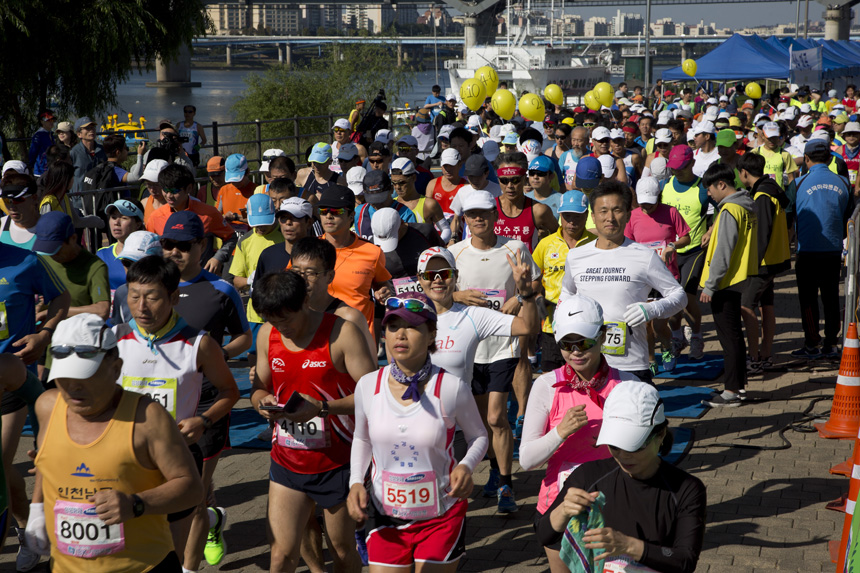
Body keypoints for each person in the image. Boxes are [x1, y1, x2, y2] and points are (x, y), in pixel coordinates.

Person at [27, 313, 205, 571]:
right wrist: (37, 508)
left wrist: (136, 504)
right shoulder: (47, 406)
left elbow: (192, 489)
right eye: (64, 376)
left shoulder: (147, 417)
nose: (73, 387)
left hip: (142, 567)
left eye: (85, 376)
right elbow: (45, 462)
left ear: (116, 368)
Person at [346, 291, 489, 571]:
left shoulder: (451, 387)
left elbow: (479, 437)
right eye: (393, 326)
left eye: (411, 326)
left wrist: (466, 466)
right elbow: (362, 438)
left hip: (441, 515)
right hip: (384, 515)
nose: (400, 335)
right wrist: (355, 483)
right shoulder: (367, 385)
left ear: (432, 334)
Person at [250, 270, 377, 573]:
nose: (281, 328)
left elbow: (375, 395)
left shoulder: (342, 333)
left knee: (342, 551)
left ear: (305, 302)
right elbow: (259, 388)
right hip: (287, 460)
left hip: (339, 462)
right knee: (280, 556)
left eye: (287, 319)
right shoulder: (267, 334)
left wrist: (321, 408)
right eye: (273, 321)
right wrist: (261, 403)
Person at [113, 256, 239, 558]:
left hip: (176, 458)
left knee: (170, 553)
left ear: (173, 297)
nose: (141, 307)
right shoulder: (114, 339)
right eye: (134, 296)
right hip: (123, 456)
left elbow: (230, 391)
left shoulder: (199, 343)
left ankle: (203, 529)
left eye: (152, 297)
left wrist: (204, 421)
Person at [520, 295, 640, 572]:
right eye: (566, 344)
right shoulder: (546, 386)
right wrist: (560, 432)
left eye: (584, 342)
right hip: (559, 507)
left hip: (615, 505)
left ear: (602, 336)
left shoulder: (627, 384)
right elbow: (527, 460)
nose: (575, 352)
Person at [159, 210, 251, 570]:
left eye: (183, 245)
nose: (174, 252)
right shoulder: (153, 288)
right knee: (170, 487)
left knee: (192, 492)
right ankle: (212, 520)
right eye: (168, 244)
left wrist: (215, 356)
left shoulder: (221, 290)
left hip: (206, 404)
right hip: (159, 403)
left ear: (202, 245)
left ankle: (188, 566)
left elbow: (244, 337)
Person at [537, 381, 706, 572]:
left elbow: (685, 561)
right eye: (615, 445)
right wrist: (563, 511)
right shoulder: (589, 475)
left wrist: (628, 546)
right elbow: (544, 535)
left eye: (635, 446)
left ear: (660, 435)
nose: (624, 456)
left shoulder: (686, 488)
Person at [448, 190, 542, 513]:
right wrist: (458, 296)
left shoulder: (515, 248)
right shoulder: (455, 253)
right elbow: (438, 291)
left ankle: (506, 485)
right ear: (465, 219)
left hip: (504, 344)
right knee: (480, 422)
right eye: (472, 214)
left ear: (495, 215)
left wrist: (519, 296)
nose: (478, 219)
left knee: (496, 416)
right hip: (470, 349)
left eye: (484, 213)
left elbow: (535, 283)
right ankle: (493, 471)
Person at [559, 180, 686, 383]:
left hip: (631, 364)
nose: (610, 218)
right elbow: (566, 293)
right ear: (593, 216)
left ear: (627, 215)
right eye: (603, 211)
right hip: (586, 364)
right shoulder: (576, 256)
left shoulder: (645, 256)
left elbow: (679, 296)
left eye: (617, 210)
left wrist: (652, 309)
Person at [698, 163, 758, 407]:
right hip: (737, 279)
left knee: (729, 338)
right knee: (734, 336)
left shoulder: (729, 210)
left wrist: (710, 285)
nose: (709, 194)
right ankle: (737, 386)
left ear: (721, 184)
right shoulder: (745, 206)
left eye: (710, 188)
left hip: (725, 282)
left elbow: (724, 251)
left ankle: (731, 391)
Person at [792, 139, 854, 358]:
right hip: (833, 248)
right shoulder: (844, 183)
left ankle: (811, 344)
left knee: (808, 299)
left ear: (806, 159)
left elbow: (790, 215)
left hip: (806, 249)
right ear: (829, 159)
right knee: (831, 296)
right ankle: (831, 343)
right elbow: (849, 216)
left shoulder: (798, 183)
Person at [624, 177, 691, 374]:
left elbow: (686, 237)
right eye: (643, 203)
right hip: (642, 277)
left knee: (660, 324)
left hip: (666, 276)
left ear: (658, 197)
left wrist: (672, 246)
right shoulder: (632, 216)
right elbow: (626, 244)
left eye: (651, 203)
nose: (646, 207)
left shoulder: (671, 212)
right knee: (645, 324)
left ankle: (667, 347)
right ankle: (650, 358)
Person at [737, 153, 791, 373]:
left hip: (762, 263)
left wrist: (751, 263)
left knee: (746, 306)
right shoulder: (773, 188)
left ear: (744, 172)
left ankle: (754, 358)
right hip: (774, 258)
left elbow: (761, 234)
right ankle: (765, 355)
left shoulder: (762, 195)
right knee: (766, 306)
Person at [532, 191, 597, 372]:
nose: (571, 221)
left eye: (577, 216)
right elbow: (532, 278)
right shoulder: (545, 244)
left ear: (587, 215)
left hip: (587, 322)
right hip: (552, 325)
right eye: (567, 216)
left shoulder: (596, 244)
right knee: (551, 376)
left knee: (585, 374)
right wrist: (537, 299)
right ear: (560, 215)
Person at [318, 185, 393, 340]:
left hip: (360, 338)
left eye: (336, 211)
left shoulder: (372, 252)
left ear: (351, 215)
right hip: (320, 336)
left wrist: (383, 291)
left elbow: (382, 285)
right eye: (323, 211)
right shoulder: (308, 250)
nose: (329, 216)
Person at [661, 145, 711, 360]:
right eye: (673, 167)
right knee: (672, 298)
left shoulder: (703, 188)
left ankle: (697, 337)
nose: (677, 171)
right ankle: (676, 337)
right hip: (669, 251)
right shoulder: (665, 185)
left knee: (687, 297)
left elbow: (721, 210)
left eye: (681, 167)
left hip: (694, 250)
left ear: (692, 163)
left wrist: (711, 230)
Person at [291, 237, 376, 358]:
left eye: (310, 273)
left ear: (330, 276)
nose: (302, 279)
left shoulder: (349, 319)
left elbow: (369, 367)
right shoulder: (285, 315)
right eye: (296, 272)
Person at [146, 164, 238, 275]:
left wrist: (217, 258)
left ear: (189, 188)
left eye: (175, 190)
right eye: (165, 190)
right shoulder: (155, 217)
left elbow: (231, 237)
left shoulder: (209, 213)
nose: (169, 195)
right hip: (167, 278)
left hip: (200, 277)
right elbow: (149, 250)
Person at [34, 211, 110, 320]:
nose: (52, 255)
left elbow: (102, 310)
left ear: (73, 239)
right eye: (47, 249)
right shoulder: (42, 258)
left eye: (56, 249)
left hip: (79, 329)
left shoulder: (95, 267)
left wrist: (53, 311)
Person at [390, 157, 450, 241]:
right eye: (394, 183)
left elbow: (446, 229)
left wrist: (436, 245)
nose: (397, 187)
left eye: (402, 183)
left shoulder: (429, 204)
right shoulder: (390, 204)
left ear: (414, 178)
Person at [353, 170, 417, 241]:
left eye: (381, 200)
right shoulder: (359, 213)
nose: (377, 205)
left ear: (391, 189)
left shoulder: (405, 214)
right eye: (372, 201)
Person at [97, 198, 145, 292]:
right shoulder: (102, 254)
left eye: (124, 218)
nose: (116, 223)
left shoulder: (148, 253)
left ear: (138, 224)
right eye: (113, 217)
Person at [217, 154, 256, 234]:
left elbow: (259, 221)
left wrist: (236, 217)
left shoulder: (257, 191)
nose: (234, 183)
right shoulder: (223, 190)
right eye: (231, 179)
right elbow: (217, 216)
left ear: (247, 172)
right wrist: (224, 218)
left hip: (251, 237)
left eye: (238, 179)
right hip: (230, 237)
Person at [0, 173, 41, 250]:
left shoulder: (52, 228)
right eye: (6, 200)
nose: (12, 207)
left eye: (18, 200)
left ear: (34, 198)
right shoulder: (1, 226)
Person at [427, 148, 466, 217]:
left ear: (460, 165)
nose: (448, 169)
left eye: (451, 166)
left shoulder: (466, 187)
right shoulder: (432, 184)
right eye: (445, 166)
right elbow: (427, 210)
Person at [29, 110, 56, 177]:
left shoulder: (50, 134)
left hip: (50, 169)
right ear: (42, 121)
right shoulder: (39, 135)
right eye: (48, 120)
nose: (51, 122)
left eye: (52, 120)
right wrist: (31, 165)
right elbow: (33, 152)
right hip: (41, 171)